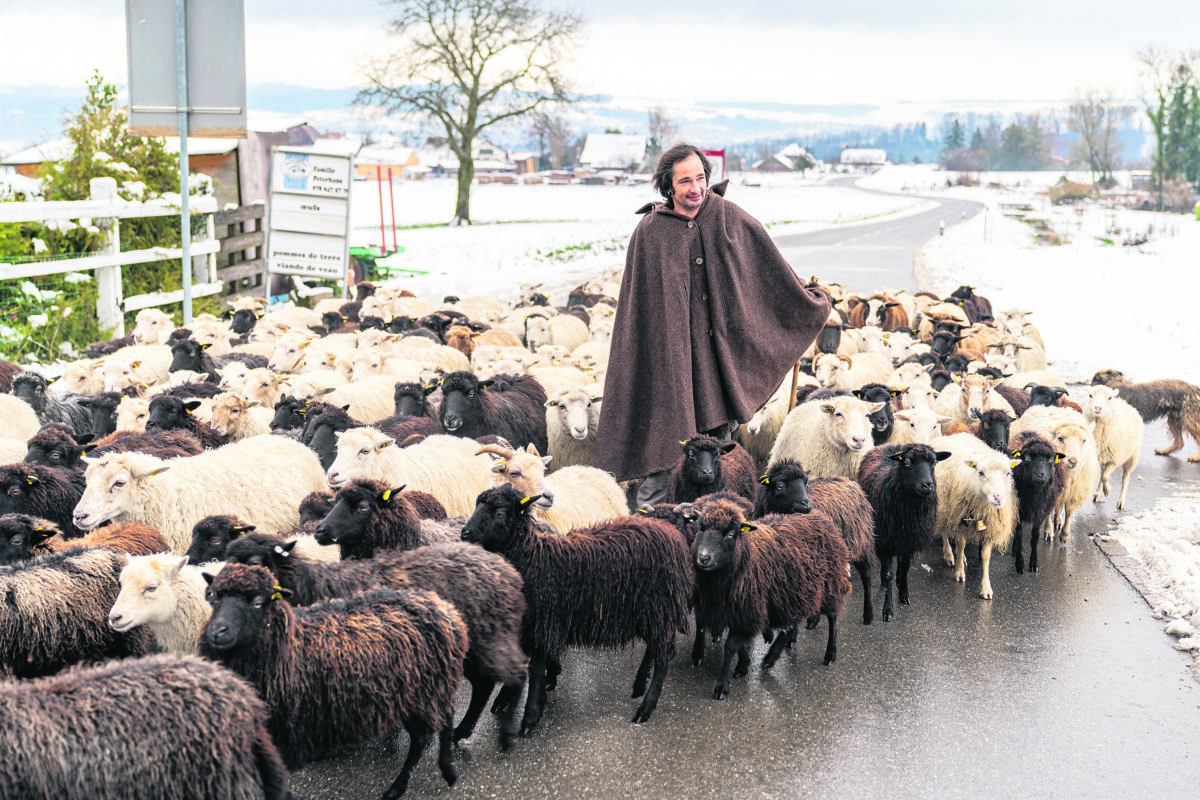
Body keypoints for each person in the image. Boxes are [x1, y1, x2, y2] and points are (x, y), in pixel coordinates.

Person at [594, 143, 831, 507]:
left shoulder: (728, 216)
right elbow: (638, 313)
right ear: (667, 186)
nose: (695, 188)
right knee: (665, 461)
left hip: (718, 368)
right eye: (685, 180)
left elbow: (766, 266)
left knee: (719, 459)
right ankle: (656, 540)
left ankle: (722, 530)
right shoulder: (650, 234)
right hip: (670, 370)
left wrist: (802, 298)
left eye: (701, 178)